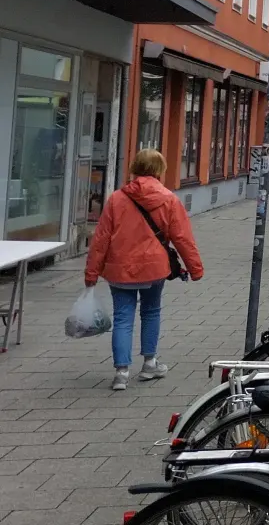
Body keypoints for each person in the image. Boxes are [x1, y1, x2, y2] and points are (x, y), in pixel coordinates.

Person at [84, 149, 204, 390]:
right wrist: (195, 268)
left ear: (135, 167)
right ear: (159, 170)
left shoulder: (117, 199)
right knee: (151, 311)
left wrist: (91, 273)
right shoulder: (169, 199)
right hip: (153, 268)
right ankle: (150, 363)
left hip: (119, 268)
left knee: (122, 318)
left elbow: (101, 239)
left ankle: (121, 372)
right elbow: (182, 238)